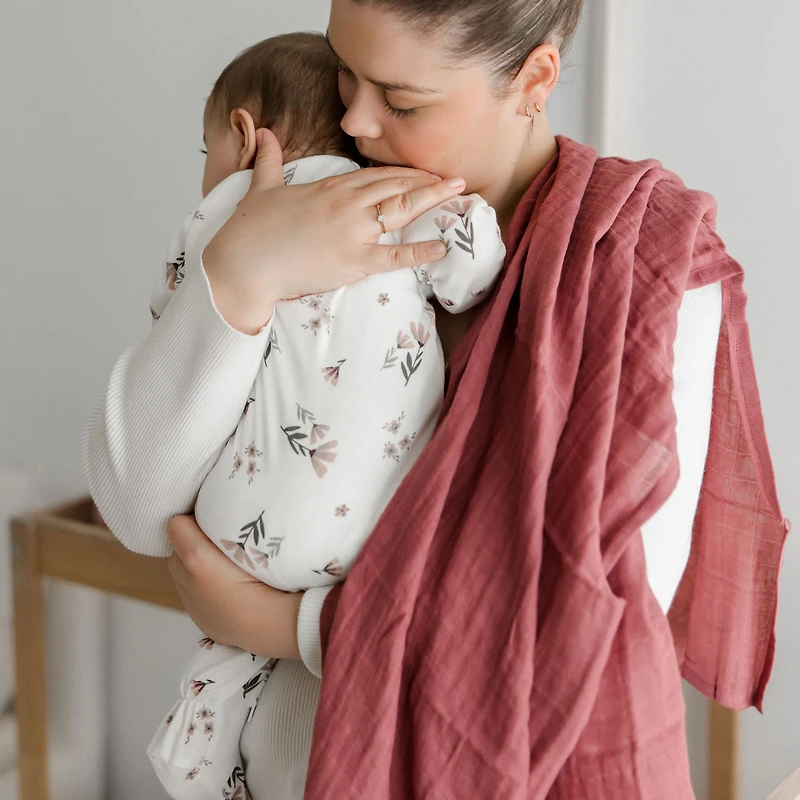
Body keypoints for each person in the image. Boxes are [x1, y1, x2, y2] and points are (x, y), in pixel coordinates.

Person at [82, 1, 788, 798]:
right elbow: (139, 512)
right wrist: (241, 272)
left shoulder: (634, 273)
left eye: (401, 101)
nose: (353, 118)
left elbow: (581, 626)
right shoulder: (308, 199)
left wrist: (291, 627)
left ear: (534, 80)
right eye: (344, 70)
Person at [139, 32, 505, 798]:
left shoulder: (225, 214)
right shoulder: (394, 200)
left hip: (235, 530)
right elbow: (473, 277)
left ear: (244, 137)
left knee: (230, 643)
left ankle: (198, 756)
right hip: (368, 543)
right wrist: (455, 203)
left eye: (202, 149)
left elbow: (175, 323)